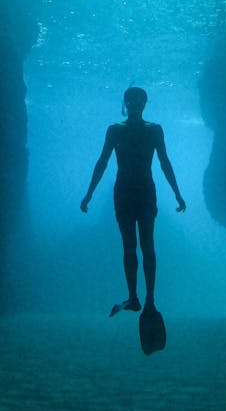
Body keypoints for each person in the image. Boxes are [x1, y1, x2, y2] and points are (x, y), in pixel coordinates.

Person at [80, 86, 186, 316]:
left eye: (138, 101)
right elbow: (103, 162)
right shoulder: (129, 131)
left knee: (139, 245)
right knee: (138, 245)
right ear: (128, 103)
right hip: (136, 192)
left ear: (141, 104)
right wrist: (89, 193)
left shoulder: (138, 130)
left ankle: (142, 298)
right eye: (133, 101)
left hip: (135, 192)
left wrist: (177, 192)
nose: (136, 104)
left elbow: (164, 163)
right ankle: (140, 298)